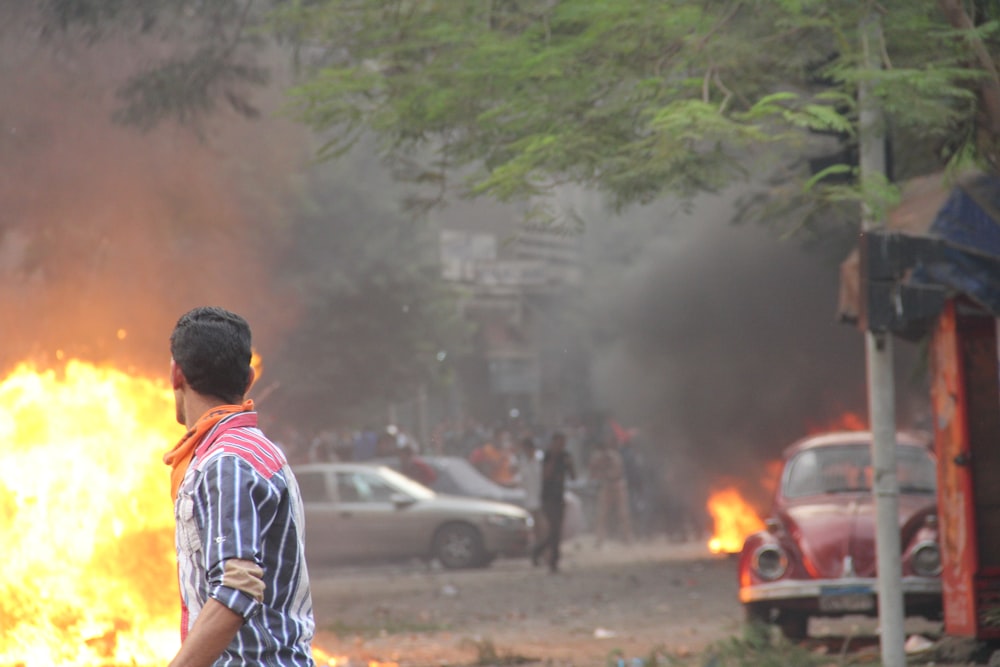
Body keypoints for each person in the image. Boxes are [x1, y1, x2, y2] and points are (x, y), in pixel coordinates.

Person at [162, 306, 315, 667]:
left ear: (176, 374)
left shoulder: (226, 461)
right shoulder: (253, 449)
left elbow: (237, 588)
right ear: (248, 378)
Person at [531, 432, 576, 573]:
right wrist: (554, 459)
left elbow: (573, 476)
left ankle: (539, 552)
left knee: (556, 531)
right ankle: (552, 561)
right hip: (548, 498)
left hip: (559, 497)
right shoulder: (547, 456)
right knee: (554, 530)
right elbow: (545, 476)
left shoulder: (565, 456)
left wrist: (570, 464)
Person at [588, 438, 633, 547]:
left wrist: (604, 470)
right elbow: (593, 473)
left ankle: (628, 539)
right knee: (602, 515)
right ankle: (599, 540)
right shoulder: (598, 458)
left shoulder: (614, 457)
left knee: (623, 514)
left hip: (617, 485)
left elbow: (616, 472)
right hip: (606, 485)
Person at [517, 436, 546, 552]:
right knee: (535, 527)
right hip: (530, 497)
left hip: (542, 497)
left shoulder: (541, 459)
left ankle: (544, 549)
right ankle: (538, 549)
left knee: (543, 526)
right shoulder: (523, 461)